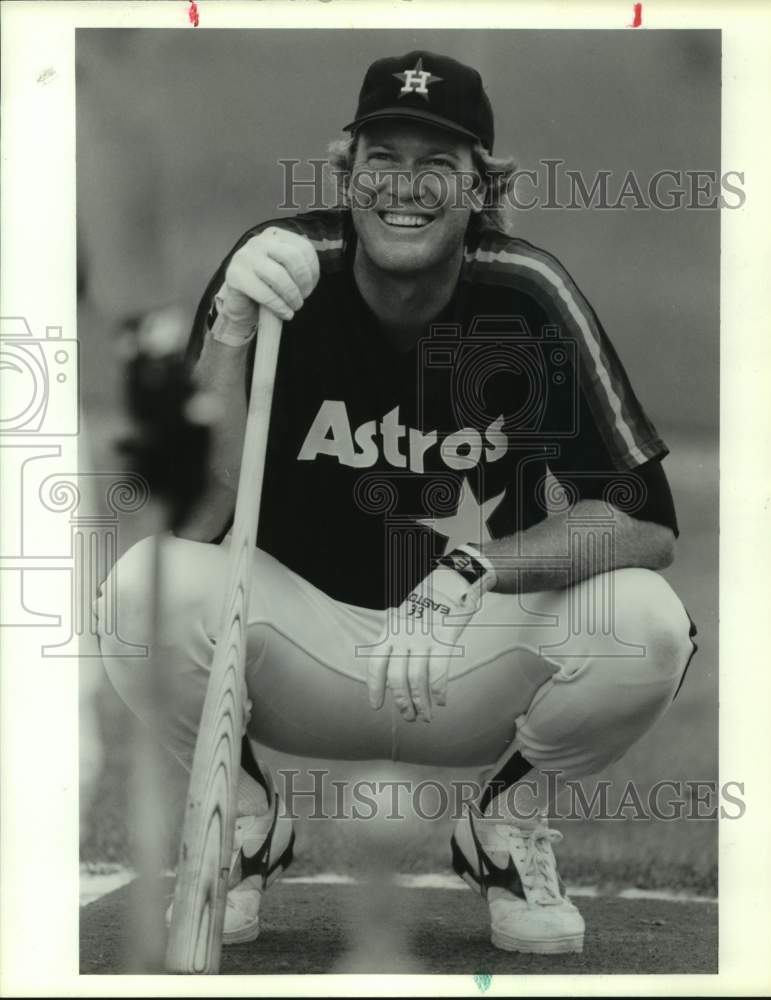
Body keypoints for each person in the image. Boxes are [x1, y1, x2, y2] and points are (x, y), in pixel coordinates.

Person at [97, 51, 697, 955]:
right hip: (299, 643)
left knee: (645, 623)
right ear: (345, 174)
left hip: (462, 649)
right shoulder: (281, 274)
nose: (403, 189)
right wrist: (228, 327)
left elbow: (642, 521)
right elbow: (195, 518)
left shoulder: (527, 296)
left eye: (436, 166)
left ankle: (503, 825)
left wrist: (476, 564)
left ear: (480, 188)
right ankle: (244, 820)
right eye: (382, 160)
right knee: (146, 589)